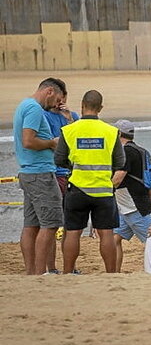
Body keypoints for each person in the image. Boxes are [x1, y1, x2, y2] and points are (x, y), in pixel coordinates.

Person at [55, 90, 126, 273]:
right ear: (100, 108)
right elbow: (120, 162)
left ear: (82, 106)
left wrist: (74, 165)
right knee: (106, 233)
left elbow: (59, 159)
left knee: (73, 232)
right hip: (103, 190)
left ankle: (68, 272)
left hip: (77, 188)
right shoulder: (111, 132)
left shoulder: (69, 130)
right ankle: (111, 273)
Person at [13, 78, 66, 274]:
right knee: (51, 224)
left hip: (29, 172)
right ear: (49, 91)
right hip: (40, 173)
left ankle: (31, 272)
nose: (56, 105)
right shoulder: (34, 109)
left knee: (32, 225)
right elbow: (29, 141)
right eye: (57, 100)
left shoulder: (24, 105)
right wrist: (52, 143)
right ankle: (40, 272)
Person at [111, 119, 151, 272]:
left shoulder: (126, 152)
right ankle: (114, 273)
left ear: (118, 133)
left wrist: (99, 191)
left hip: (134, 207)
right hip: (127, 207)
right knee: (115, 239)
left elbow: (118, 178)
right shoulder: (141, 151)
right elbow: (149, 183)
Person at [43, 91, 79, 273]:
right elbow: (52, 143)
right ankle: (51, 267)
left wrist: (69, 119)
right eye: (58, 99)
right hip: (55, 173)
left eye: (63, 98)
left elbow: (80, 141)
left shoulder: (73, 117)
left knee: (71, 225)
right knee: (51, 224)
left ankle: (69, 267)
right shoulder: (44, 116)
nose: (61, 102)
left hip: (72, 175)